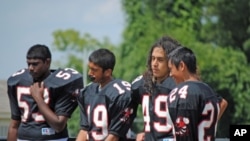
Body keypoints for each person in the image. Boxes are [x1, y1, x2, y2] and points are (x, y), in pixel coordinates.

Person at [7, 44, 83, 141]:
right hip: (23, 138)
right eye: (28, 64)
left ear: (47, 62)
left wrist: (38, 98)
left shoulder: (62, 83)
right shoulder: (18, 81)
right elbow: (14, 124)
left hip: (53, 138)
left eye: (35, 64)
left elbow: (58, 126)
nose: (30, 68)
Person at [166, 46, 228, 141]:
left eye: (171, 69)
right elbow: (223, 103)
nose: (170, 74)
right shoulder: (208, 90)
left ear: (182, 66)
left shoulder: (184, 94)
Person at [76, 48, 137, 141]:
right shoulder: (86, 92)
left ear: (108, 72)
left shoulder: (120, 94)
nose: (89, 73)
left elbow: (113, 136)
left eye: (94, 70)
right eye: (89, 68)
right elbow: (84, 130)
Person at [131, 36, 181, 141]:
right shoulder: (142, 83)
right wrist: (136, 134)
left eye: (160, 60)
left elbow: (219, 103)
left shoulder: (179, 83)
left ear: (171, 61)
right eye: (153, 58)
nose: (154, 64)